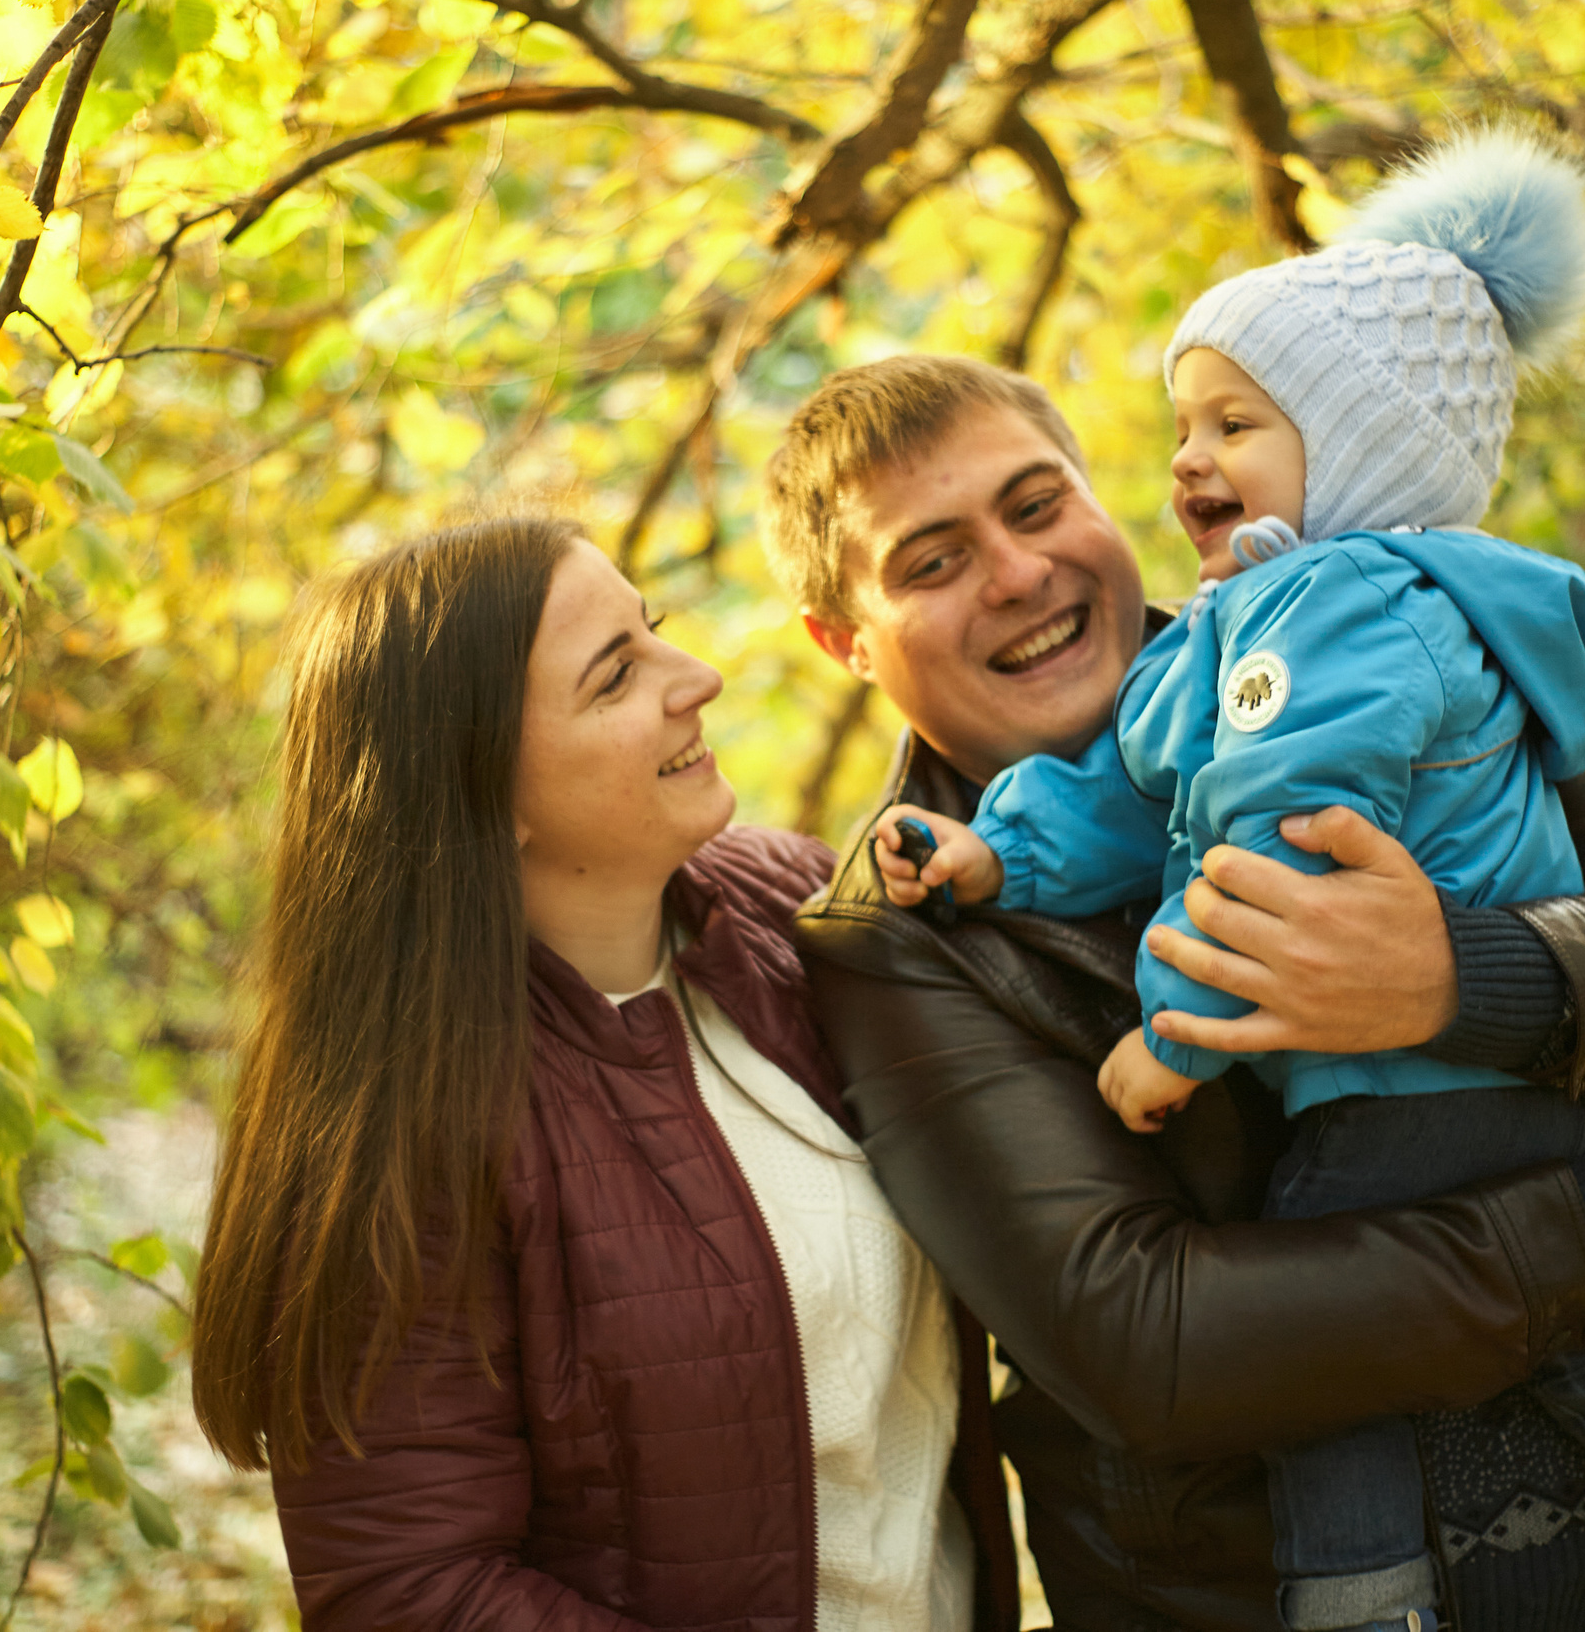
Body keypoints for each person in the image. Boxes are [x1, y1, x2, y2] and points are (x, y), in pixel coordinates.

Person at [872, 134, 1585, 1632]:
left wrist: (1461, 973)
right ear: (843, 635)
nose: (1016, 574)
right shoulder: (903, 937)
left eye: (1035, 504)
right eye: (932, 557)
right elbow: (1155, 1342)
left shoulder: (1363, 650)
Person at [187, 517, 1022, 1631]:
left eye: (655, 632)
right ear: (491, 796)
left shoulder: (788, 908)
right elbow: (412, 1592)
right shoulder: (406, 1133)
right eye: (615, 676)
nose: (700, 679)